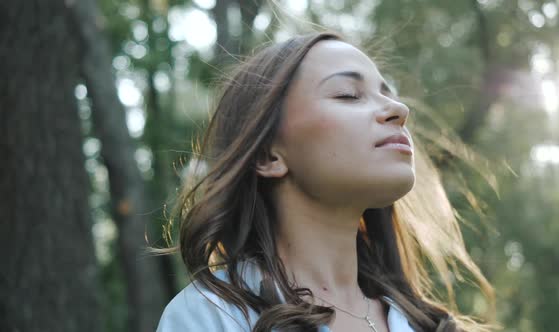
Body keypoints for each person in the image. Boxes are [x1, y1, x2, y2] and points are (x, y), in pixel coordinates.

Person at [156, 31, 495, 332]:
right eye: (348, 94)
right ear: (268, 156)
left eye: (387, 93)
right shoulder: (209, 318)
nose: (399, 109)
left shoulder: (431, 325)